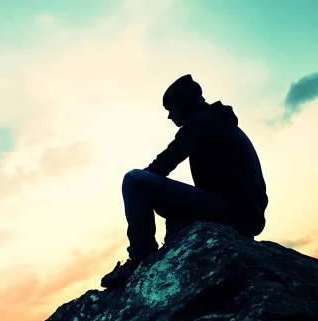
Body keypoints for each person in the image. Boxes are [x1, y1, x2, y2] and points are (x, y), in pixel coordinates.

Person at [101, 74, 268, 288]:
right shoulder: (216, 120)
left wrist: (145, 185)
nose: (169, 116)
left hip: (233, 213)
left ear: (184, 105)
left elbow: (163, 165)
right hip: (243, 215)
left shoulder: (202, 123)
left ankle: (140, 260)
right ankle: (166, 262)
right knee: (175, 213)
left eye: (171, 109)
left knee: (134, 180)